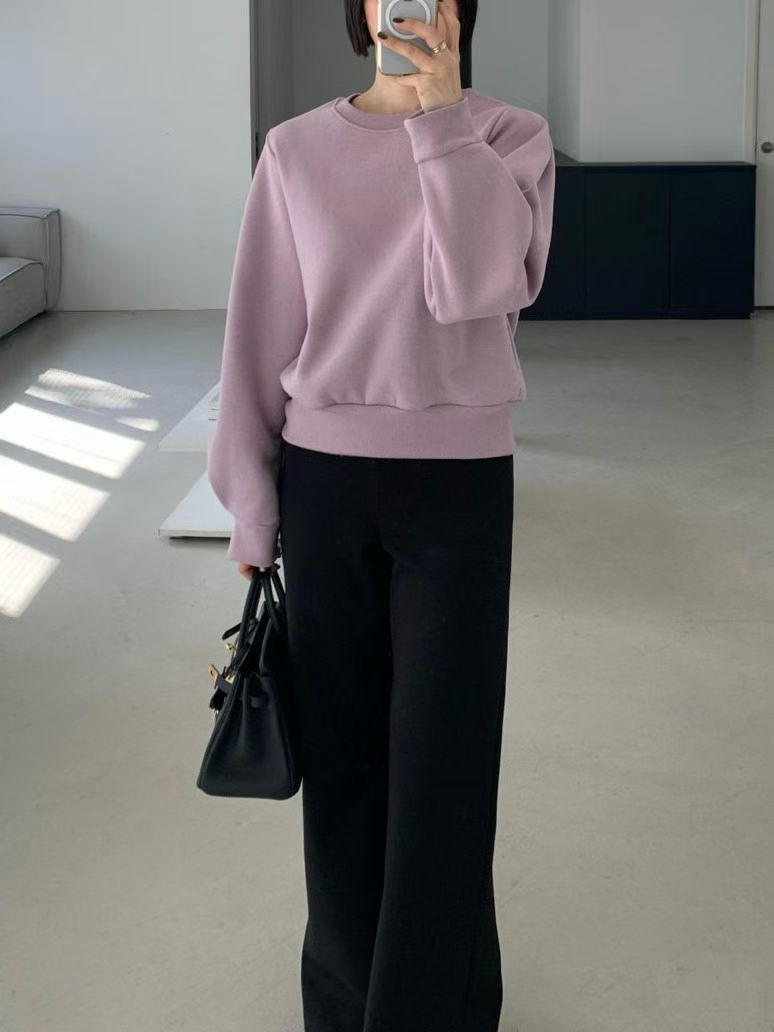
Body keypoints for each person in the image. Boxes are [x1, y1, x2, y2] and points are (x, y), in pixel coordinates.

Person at [206, 1, 556, 1029]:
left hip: (459, 488)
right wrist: (251, 505)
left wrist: (441, 124)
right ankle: (345, 1001)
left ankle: (431, 1009)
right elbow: (257, 330)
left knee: (446, 766)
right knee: (344, 760)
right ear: (361, 10)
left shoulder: (510, 137)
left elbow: (484, 286)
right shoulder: (297, 149)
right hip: (325, 482)